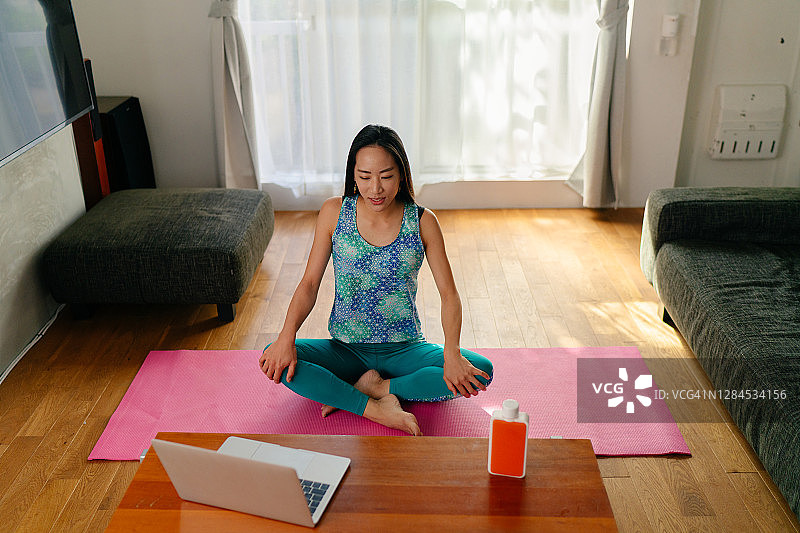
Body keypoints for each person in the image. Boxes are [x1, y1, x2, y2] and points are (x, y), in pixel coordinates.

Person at [259, 124, 493, 435]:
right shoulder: (333, 213)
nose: (376, 189)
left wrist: (451, 353)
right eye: (365, 177)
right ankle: (375, 408)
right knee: (274, 357)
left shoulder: (423, 222)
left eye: (386, 176)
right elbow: (309, 284)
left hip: (405, 349)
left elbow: (449, 295)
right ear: (353, 175)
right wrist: (287, 337)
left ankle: (376, 389)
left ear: (402, 174)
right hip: (346, 349)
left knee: (481, 372)